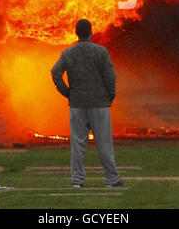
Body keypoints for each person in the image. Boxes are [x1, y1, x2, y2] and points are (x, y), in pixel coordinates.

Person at [51, 18, 127, 189]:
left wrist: (68, 93)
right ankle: (112, 180)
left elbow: (55, 72)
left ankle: (77, 181)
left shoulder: (68, 53)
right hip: (99, 104)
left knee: (78, 145)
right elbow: (110, 76)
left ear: (76, 33)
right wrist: (110, 96)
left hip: (77, 105)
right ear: (91, 32)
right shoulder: (101, 52)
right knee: (104, 144)